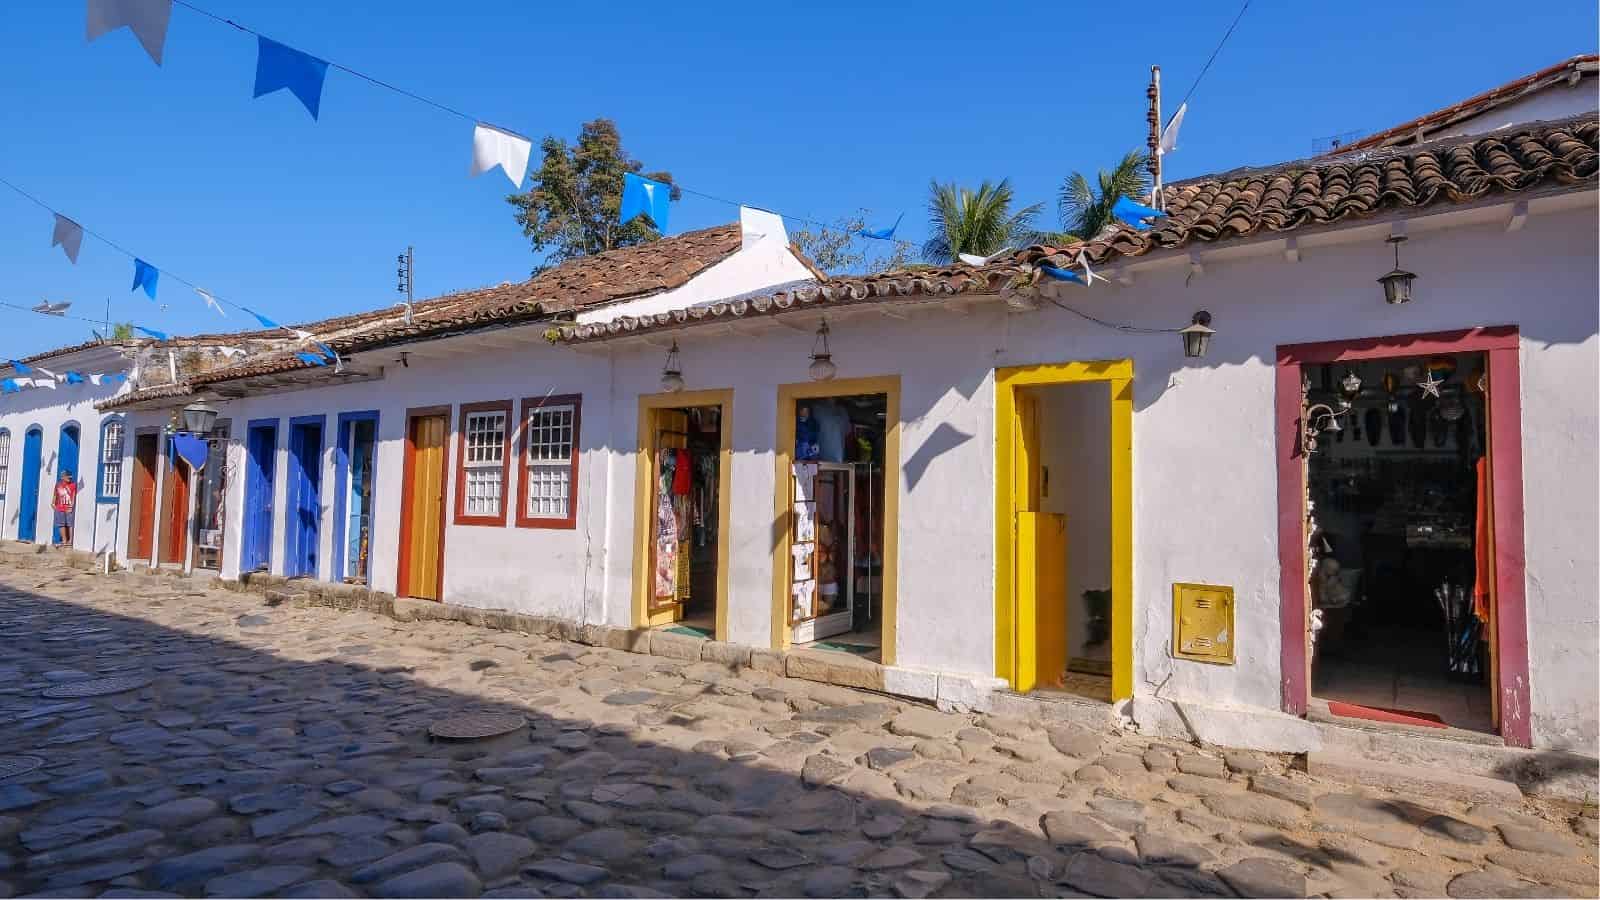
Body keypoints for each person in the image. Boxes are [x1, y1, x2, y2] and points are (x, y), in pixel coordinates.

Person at [53, 468, 78, 548]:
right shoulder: (58, 485)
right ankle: (64, 541)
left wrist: (71, 506)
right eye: (68, 477)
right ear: (63, 477)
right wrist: (53, 503)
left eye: (70, 477)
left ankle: (70, 541)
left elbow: (73, 496)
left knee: (70, 524)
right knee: (61, 524)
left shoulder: (73, 485)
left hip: (68, 507)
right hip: (59, 508)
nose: (69, 478)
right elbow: (55, 495)